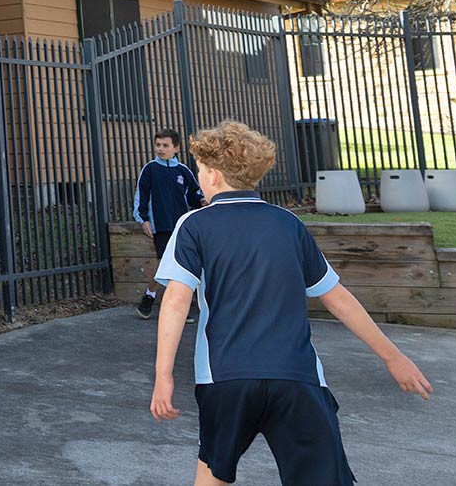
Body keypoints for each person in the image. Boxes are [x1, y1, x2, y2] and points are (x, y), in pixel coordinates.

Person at [149, 121, 433, 486]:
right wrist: (393, 357)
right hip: (297, 377)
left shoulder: (193, 224)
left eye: (201, 171)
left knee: (212, 475)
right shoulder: (288, 223)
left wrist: (164, 376)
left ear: (214, 176)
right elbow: (337, 298)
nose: (200, 178)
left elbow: (176, 301)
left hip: (226, 378)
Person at [135, 129, 205, 319]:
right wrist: (143, 219)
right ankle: (149, 296)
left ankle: (178, 306)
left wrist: (202, 201)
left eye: (165, 145)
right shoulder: (150, 169)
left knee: (181, 265)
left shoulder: (183, 171)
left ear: (176, 148)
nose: (160, 149)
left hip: (181, 226)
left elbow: (194, 195)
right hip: (161, 225)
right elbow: (141, 196)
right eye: (158, 145)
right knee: (165, 263)